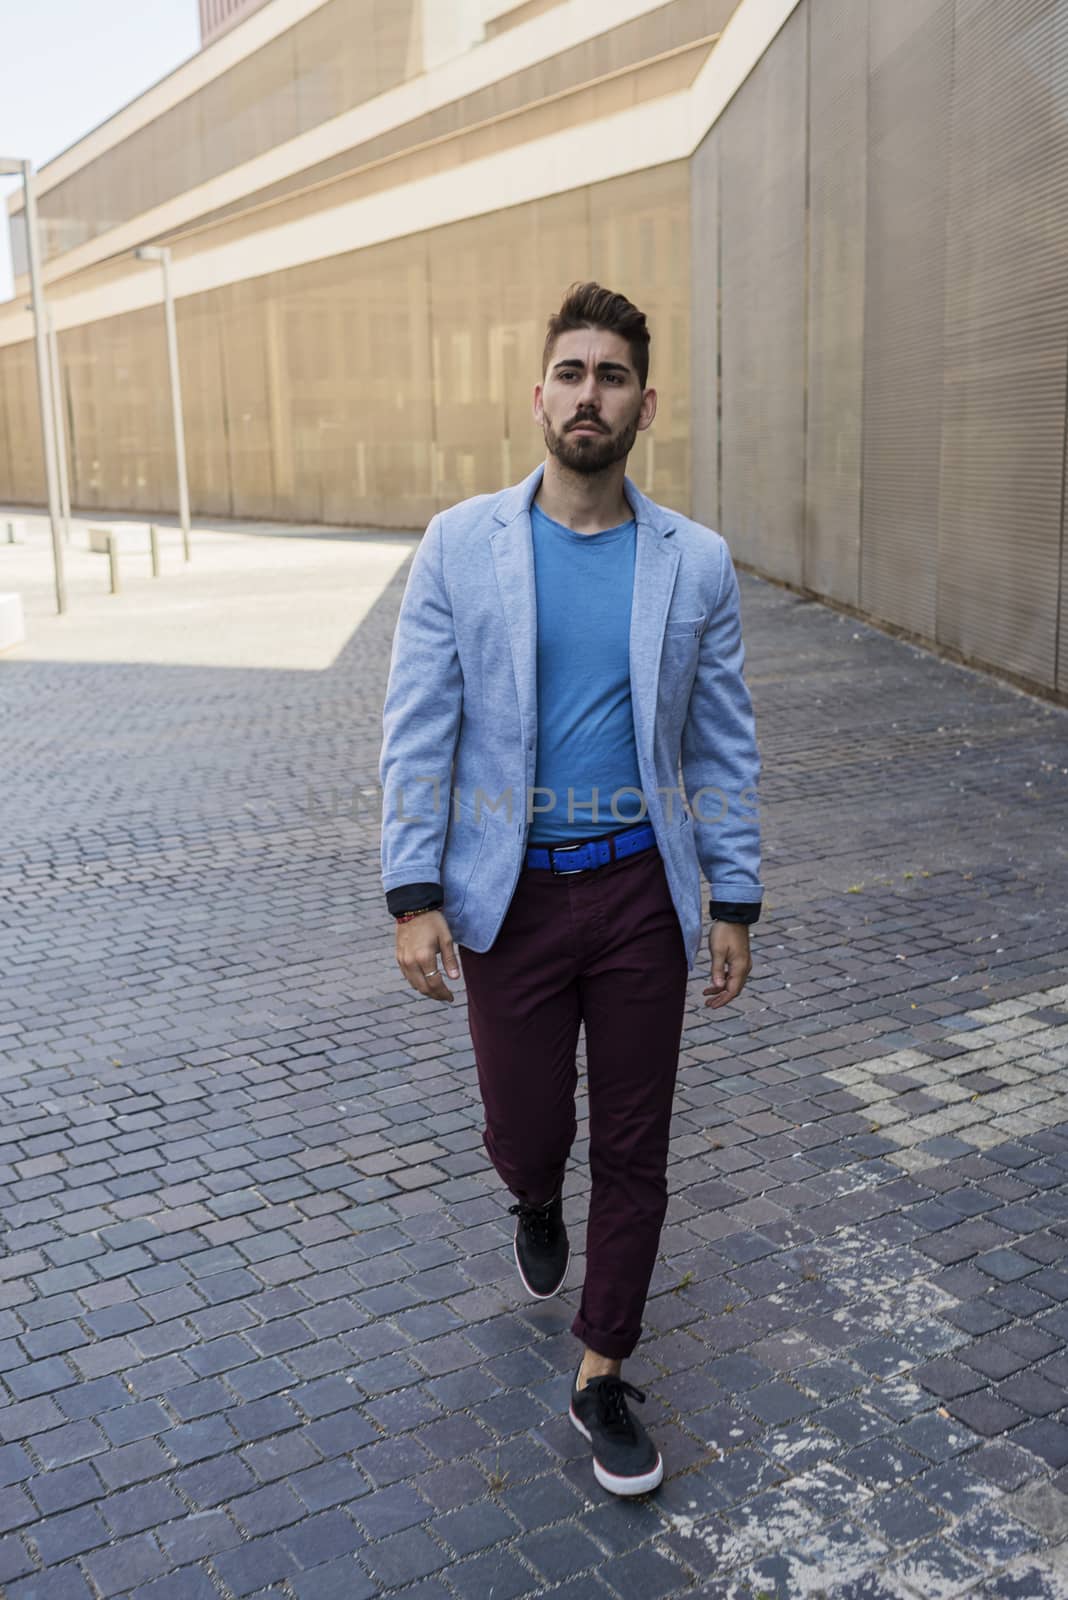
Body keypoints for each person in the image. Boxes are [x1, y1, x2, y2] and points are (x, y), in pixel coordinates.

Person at [378, 282, 763, 1496]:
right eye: (569, 372)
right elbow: (417, 723)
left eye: (610, 376)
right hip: (514, 901)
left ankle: (602, 1369)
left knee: (637, 1149)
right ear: (536, 394)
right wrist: (413, 889)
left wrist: (734, 895)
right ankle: (533, 1195)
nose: (587, 394)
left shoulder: (692, 560)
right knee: (531, 1127)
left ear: (646, 405)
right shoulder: (461, 544)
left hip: (641, 894)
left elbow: (723, 741)